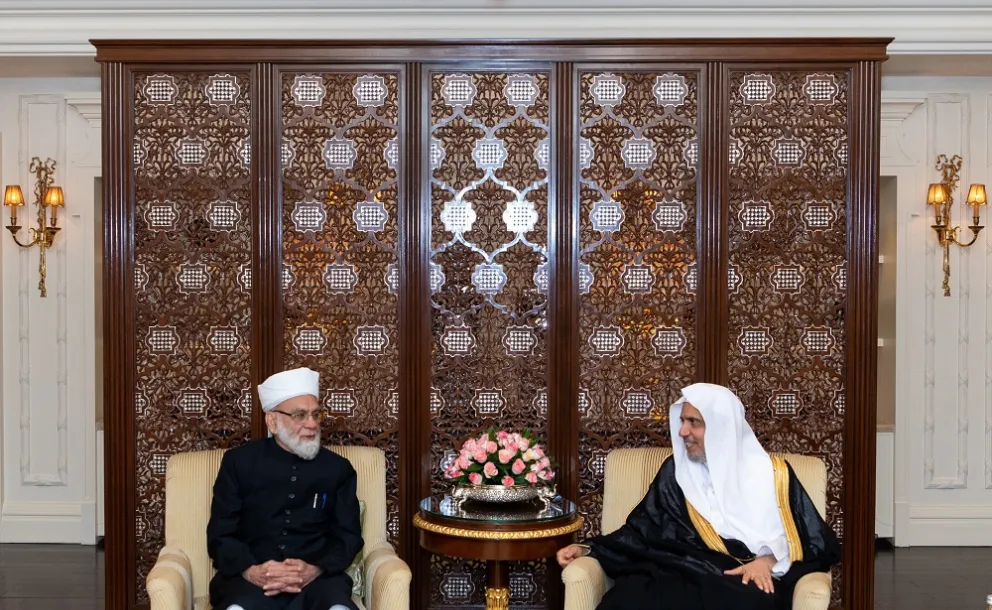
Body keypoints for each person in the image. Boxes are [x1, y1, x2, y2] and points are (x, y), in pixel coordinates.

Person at [557, 383, 840, 610]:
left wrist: (767, 561)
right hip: (673, 567)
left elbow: (811, 540)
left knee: (742, 602)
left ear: (722, 427)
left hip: (739, 575)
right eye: (682, 421)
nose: (683, 432)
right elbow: (643, 531)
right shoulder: (676, 471)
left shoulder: (775, 476)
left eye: (694, 422)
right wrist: (590, 549)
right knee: (631, 597)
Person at [207, 367, 363, 610]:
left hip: (317, 582)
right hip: (249, 580)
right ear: (273, 421)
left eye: (315, 414)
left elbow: (348, 536)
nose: (312, 424)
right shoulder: (238, 463)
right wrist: (252, 571)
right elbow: (220, 534)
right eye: (300, 415)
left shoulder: (338, 469)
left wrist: (314, 568)